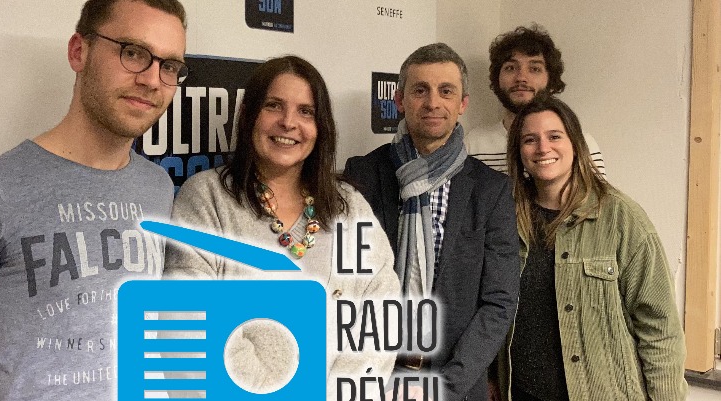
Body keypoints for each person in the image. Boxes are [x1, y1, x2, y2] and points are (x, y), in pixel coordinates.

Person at [0, 1, 187, 399]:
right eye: (133, 53)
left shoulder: (157, 187)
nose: (152, 80)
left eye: (170, 66)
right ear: (79, 51)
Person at [163, 55, 400, 400]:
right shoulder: (206, 198)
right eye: (273, 106)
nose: (289, 123)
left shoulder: (349, 206)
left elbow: (380, 316)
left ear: (320, 127)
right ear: (248, 115)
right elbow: (189, 327)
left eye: (306, 111)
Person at [343, 43, 520, 401]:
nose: (433, 102)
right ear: (400, 100)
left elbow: (499, 302)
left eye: (446, 91)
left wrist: (447, 386)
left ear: (462, 104)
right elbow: (347, 283)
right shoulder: (363, 174)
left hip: (455, 384)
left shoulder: (491, 189)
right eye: (420, 90)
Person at [498, 95, 686, 401]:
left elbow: (660, 326)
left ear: (576, 144)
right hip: (521, 392)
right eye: (530, 140)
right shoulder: (504, 218)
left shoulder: (622, 218)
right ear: (519, 152)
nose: (543, 148)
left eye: (554, 136)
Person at [465, 24, 605, 175]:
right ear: (497, 77)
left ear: (550, 78)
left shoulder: (579, 142)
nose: (521, 78)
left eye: (534, 69)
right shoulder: (473, 145)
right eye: (511, 68)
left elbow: (594, 191)